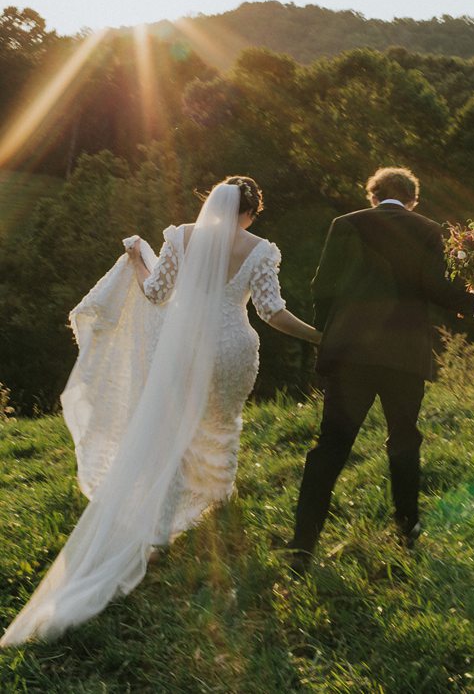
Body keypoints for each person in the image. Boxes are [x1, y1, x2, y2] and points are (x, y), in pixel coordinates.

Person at [1, 176, 320, 647]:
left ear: (211, 203)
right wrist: (318, 336)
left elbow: (155, 294)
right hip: (232, 347)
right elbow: (271, 312)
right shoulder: (260, 250)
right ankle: (217, 496)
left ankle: (158, 530)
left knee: (177, 429)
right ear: (252, 211)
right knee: (222, 423)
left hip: (185, 350)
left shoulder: (181, 237)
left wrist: (136, 259)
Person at [287, 166, 474, 570]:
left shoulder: (344, 223)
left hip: (350, 353)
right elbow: (433, 286)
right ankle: (406, 530)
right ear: (412, 198)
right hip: (404, 354)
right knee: (403, 439)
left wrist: (331, 331)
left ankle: (302, 544)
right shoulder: (429, 228)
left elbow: (321, 285)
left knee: (331, 445)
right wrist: (473, 302)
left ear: (373, 195)